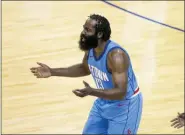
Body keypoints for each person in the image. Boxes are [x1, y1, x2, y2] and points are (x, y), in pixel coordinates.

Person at [30, 14, 143, 134]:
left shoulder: (116, 56)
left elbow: (121, 92)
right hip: (104, 100)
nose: (83, 32)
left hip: (125, 106)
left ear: (99, 34)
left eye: (88, 30)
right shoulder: (91, 48)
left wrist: (92, 91)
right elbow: (84, 68)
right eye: (84, 28)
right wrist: (52, 71)